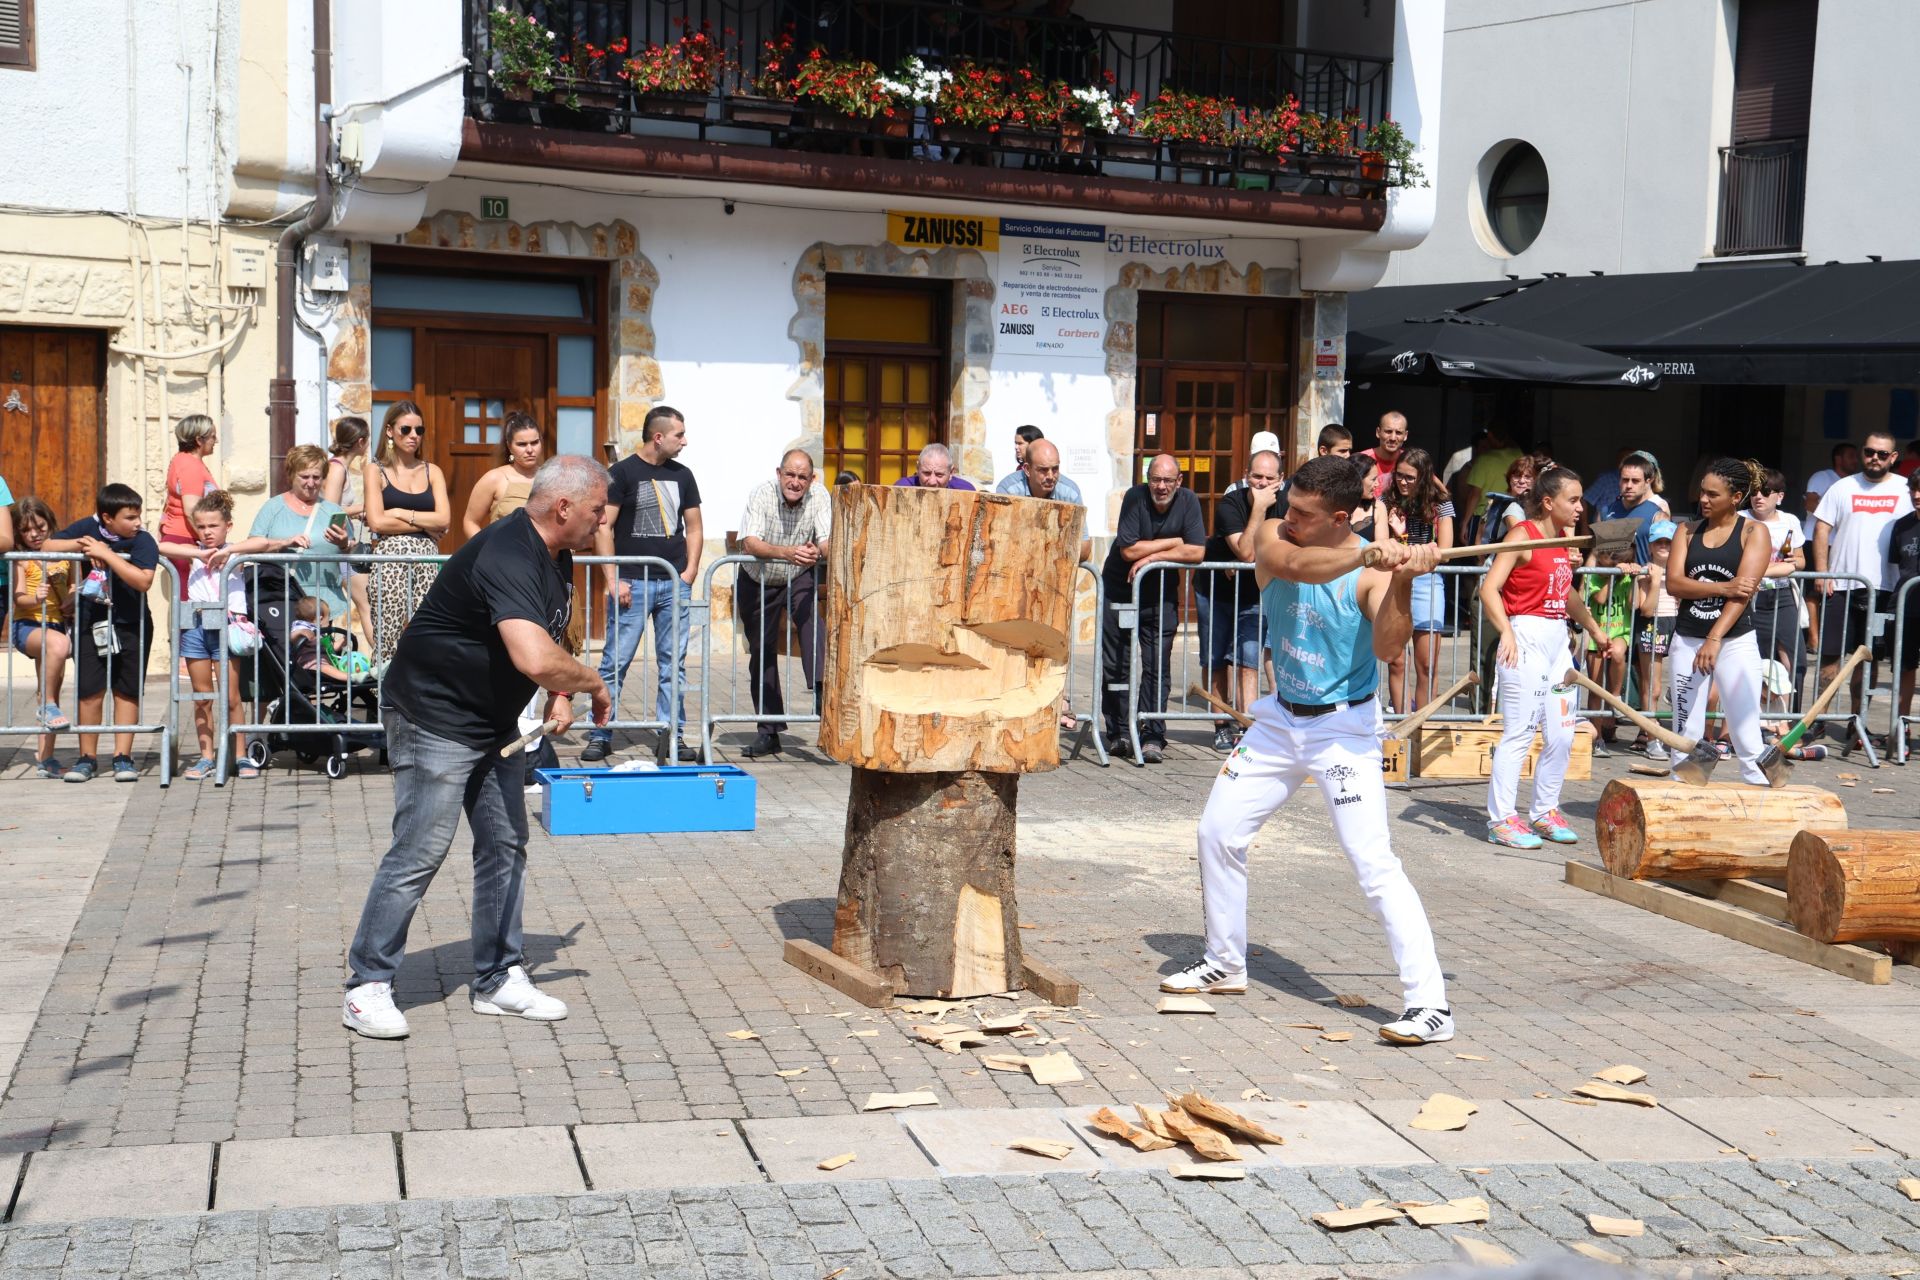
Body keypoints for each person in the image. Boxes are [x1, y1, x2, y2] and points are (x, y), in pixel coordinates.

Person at [1166, 456, 1454, 1046]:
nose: (1287, 517)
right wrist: (1369, 551)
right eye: (1289, 505)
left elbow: (1388, 647)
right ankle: (1225, 961)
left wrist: (1403, 576)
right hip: (1277, 721)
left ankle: (1431, 1005)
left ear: (1340, 517)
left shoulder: (1372, 574)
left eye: (1304, 512)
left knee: (1373, 865)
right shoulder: (1279, 539)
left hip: (1343, 731)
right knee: (1217, 833)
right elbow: (1296, 564)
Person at [342, 456, 614, 1040]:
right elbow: (537, 657)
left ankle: (497, 978)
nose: (602, 520)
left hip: (490, 723)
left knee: (505, 844)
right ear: (563, 507)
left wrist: (555, 694)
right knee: (419, 850)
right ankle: (367, 984)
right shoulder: (508, 552)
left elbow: (547, 635)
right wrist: (588, 682)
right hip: (432, 715)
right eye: (596, 509)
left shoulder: (557, 552)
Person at [1479, 467, 1620, 849]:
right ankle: (1502, 820)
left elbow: (1565, 594)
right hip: (1525, 637)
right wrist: (1506, 630)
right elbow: (1489, 588)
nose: (1580, 508)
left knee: (1561, 733)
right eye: (1572, 500)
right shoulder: (1521, 536)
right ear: (1547, 502)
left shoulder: (1561, 540)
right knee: (1520, 732)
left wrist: (1593, 628)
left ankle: (1544, 812)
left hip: (1558, 640)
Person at [585, 405, 704, 764]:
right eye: (679, 435)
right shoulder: (620, 474)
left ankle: (672, 735)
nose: (685, 441)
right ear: (658, 437)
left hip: (673, 583)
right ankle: (599, 733)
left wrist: (690, 571)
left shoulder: (683, 475)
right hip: (631, 584)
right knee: (614, 662)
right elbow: (604, 527)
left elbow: (695, 527)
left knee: (674, 664)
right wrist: (612, 577)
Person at [159, 491, 298, 781]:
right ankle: (206, 756)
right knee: (201, 698)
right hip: (196, 628)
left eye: (213, 526)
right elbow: (161, 546)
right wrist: (199, 553)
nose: (208, 532)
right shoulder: (194, 553)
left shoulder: (236, 554)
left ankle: (240, 755)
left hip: (228, 628)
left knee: (232, 697)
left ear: (227, 526)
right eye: (202, 527)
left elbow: (261, 543)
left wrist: (227, 553)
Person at [1667, 459, 1772, 785]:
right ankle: (1684, 795)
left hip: (1735, 642)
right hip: (1687, 639)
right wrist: (1722, 587)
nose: (1704, 500)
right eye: (1702, 492)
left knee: (1745, 730)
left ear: (1736, 497)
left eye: (1713, 494)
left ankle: (1770, 800)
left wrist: (1714, 639)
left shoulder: (1754, 531)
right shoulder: (1685, 531)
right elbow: (1674, 584)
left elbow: (1743, 594)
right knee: (1687, 730)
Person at [48, 483, 159, 784]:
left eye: (138, 516)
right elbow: (47, 546)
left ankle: (123, 757)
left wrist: (107, 555)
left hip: (131, 623)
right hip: (91, 623)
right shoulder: (88, 527)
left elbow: (143, 580)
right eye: (130, 517)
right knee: (90, 691)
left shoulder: (143, 541)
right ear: (107, 518)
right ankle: (87, 758)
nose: (137, 523)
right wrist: (83, 547)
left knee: (127, 690)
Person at [1100, 453, 1205, 764]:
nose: (1161, 486)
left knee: (1157, 666)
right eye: (1155, 480)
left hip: (1161, 596)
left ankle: (1152, 734)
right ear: (1148, 480)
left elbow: (1197, 551)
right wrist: (1173, 542)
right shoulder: (1135, 497)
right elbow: (1128, 548)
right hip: (1120, 588)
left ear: (1179, 481)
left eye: (1167, 480)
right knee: (1116, 664)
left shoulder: (1188, 501)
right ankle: (1118, 732)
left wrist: (1150, 558)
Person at [1812, 429, 1913, 727]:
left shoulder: (1905, 489)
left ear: (1893, 457)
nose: (1875, 458)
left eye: (1883, 454)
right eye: (1870, 452)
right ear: (1863, 452)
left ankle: (1859, 721)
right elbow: (1821, 529)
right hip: (1840, 584)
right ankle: (1818, 719)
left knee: (1867, 659)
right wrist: (1822, 572)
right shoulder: (1843, 487)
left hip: (1883, 588)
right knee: (1830, 658)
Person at [735, 449, 831, 760]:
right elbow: (750, 542)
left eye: (802, 477)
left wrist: (819, 551)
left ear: (811, 479)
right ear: (779, 474)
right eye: (790, 475)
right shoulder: (761, 494)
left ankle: (820, 691)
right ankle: (769, 731)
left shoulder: (819, 495)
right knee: (761, 652)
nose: (795, 482)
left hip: (797, 573)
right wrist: (788, 552)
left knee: (810, 621)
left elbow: (827, 539)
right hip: (758, 577)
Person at [1198, 450, 1284, 751]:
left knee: (1248, 659)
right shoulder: (1231, 504)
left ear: (1280, 480)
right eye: (1257, 476)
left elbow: (1286, 546)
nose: (1262, 483)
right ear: (1246, 476)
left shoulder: (1286, 505)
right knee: (1216, 658)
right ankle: (1221, 724)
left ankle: (1248, 726)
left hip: (1254, 591)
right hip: (1215, 590)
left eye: (1269, 478)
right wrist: (1259, 509)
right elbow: (1247, 552)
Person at [365, 402, 451, 667]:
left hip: (427, 559)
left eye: (419, 429)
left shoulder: (432, 470)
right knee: (388, 635)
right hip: (389, 561)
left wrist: (401, 512)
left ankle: (422, 700)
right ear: (390, 431)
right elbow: (377, 522)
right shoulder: (375, 470)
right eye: (406, 429)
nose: (414, 435)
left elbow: (445, 519)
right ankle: (384, 701)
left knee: (427, 634)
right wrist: (426, 525)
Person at [1373, 448, 1453, 715]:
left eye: (1410, 478)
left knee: (1427, 663)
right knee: (1396, 661)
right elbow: (1384, 545)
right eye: (1399, 476)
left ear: (1424, 478)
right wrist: (1402, 537)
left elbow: (1446, 550)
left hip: (1427, 582)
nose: (1402, 482)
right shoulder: (1386, 499)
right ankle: (1401, 721)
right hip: (1395, 580)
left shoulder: (1440, 503)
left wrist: (1409, 548)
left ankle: (1421, 723)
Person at [250, 445, 353, 623]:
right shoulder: (273, 507)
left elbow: (354, 556)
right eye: (304, 477)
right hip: (284, 602)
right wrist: (285, 543)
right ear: (291, 475)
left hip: (327, 608)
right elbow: (252, 545)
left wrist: (344, 544)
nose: (311, 483)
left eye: (317, 477)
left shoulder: (332, 511)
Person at [9, 496, 73, 778]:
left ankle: (46, 759)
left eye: (40, 527)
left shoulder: (65, 556)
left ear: (50, 524)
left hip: (57, 625)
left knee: (51, 693)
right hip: (29, 625)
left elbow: (74, 587)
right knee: (58, 646)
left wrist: (72, 598)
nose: (34, 534)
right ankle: (47, 705)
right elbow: (19, 597)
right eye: (26, 530)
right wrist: (35, 596)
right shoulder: (22, 559)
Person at [1746, 468, 1807, 724]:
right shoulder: (1740, 519)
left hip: (1781, 596)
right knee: (1750, 662)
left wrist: (1788, 564)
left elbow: (1800, 561)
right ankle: (1751, 721)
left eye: (1766, 492)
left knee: (1796, 660)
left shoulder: (1790, 521)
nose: (1759, 496)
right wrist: (1779, 568)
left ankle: (1790, 721)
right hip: (1750, 596)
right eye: (1754, 492)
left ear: (1779, 496)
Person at [322, 416, 377, 652]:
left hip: (342, 546)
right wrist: (362, 508)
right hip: (340, 549)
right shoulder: (336, 468)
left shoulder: (337, 466)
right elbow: (331, 508)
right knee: (366, 604)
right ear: (361, 441)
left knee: (365, 603)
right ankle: (384, 656)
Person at [1630, 520, 1681, 759]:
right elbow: (1645, 610)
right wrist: (1655, 583)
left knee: (1678, 682)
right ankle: (1651, 739)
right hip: (1653, 624)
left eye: (1668, 542)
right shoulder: (1644, 572)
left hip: (1676, 623)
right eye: (1658, 542)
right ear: (1650, 546)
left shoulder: (1679, 570)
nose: (1663, 546)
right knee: (1653, 687)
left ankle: (1670, 734)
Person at [159, 415, 220, 604]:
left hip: (182, 537)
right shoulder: (190, 465)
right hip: (186, 538)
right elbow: (191, 508)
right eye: (212, 436)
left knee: (189, 600)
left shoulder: (181, 460)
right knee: (191, 602)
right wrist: (208, 541)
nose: (215, 441)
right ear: (199, 440)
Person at [462, 413, 546, 539]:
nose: (529, 449)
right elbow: (470, 522)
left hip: (545, 556)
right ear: (509, 446)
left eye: (534, 442)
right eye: (522, 444)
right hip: (504, 555)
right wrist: (486, 549)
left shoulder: (551, 478)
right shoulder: (495, 478)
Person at [1889, 470, 1920, 727]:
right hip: (1906, 606)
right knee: (1905, 667)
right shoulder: (1902, 525)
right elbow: (1898, 564)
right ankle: (1902, 727)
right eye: (1914, 490)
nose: (1917, 495)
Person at [1599, 450, 1665, 563]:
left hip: (1641, 579)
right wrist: (1585, 580)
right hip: (1610, 579)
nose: (1629, 486)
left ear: (1648, 482)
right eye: (1625, 480)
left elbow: (1663, 558)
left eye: (1635, 481)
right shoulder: (1607, 511)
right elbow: (1597, 555)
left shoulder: (1658, 514)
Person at [1455, 424, 1523, 531]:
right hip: (1513, 512)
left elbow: (1475, 494)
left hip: (1484, 515)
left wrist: (1465, 522)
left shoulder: (1483, 460)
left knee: (1480, 547)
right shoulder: (1518, 454)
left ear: (1490, 435)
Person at [1803, 442, 1860, 542]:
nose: (1856, 460)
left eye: (1856, 457)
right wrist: (1838, 519)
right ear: (1838, 459)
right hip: (1813, 540)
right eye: (1851, 456)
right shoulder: (1822, 476)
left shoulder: (1854, 483)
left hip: (1838, 544)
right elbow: (1810, 503)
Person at [1356, 411, 1408, 501]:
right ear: (1378, 432)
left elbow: (1437, 492)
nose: (1392, 438)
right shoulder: (1361, 460)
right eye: (1388, 431)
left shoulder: (1411, 461)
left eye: (1398, 433)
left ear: (1405, 435)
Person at [894, 442, 977, 490]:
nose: (932, 482)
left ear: (951, 472)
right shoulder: (902, 488)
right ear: (918, 468)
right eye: (926, 473)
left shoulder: (965, 491)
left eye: (939, 474)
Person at [994, 425, 1045, 490]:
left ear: (1032, 444)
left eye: (1020, 443)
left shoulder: (1043, 470)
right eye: (1016, 443)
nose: (1016, 447)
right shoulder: (1020, 470)